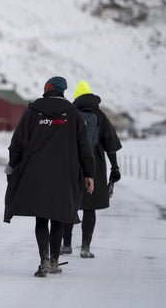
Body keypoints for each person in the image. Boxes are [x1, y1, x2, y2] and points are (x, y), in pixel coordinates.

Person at [4, 76, 96, 277]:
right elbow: (84, 146)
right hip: (65, 174)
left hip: (36, 173)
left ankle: (44, 260)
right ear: (62, 91)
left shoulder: (33, 111)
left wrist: (12, 165)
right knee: (58, 218)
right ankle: (53, 262)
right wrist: (89, 173)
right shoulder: (73, 114)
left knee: (41, 218)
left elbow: (17, 141)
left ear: (48, 88)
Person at [61, 81, 122, 258]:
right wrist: (115, 167)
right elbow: (110, 144)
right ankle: (85, 247)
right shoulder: (101, 116)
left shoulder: (70, 114)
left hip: (72, 164)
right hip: (95, 166)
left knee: (69, 205)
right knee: (90, 207)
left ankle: (66, 245)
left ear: (77, 98)